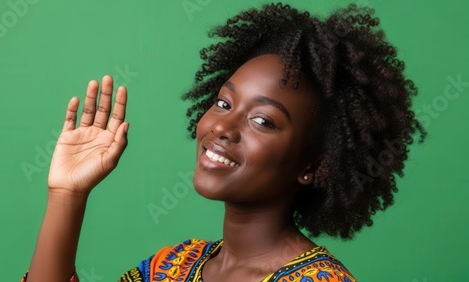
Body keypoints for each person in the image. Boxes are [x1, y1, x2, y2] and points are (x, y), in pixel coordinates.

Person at [22, 3, 426, 282]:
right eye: (223, 102)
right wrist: (67, 195)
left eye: (263, 120)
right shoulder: (174, 266)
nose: (223, 127)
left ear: (313, 165)